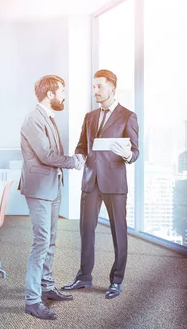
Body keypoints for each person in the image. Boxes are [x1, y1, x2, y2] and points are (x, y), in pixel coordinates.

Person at [62, 69, 139, 300]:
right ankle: (84, 276)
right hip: (90, 181)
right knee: (86, 231)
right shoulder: (90, 116)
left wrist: (127, 155)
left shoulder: (128, 116)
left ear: (112, 88)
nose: (95, 90)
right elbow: (81, 145)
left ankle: (117, 280)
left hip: (114, 183)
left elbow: (135, 152)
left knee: (119, 232)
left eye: (99, 86)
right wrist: (80, 156)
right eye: (93, 86)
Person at [20, 75, 84, 320]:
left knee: (51, 241)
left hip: (52, 186)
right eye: (62, 91)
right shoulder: (33, 119)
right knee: (41, 243)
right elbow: (46, 155)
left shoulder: (47, 117)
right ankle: (32, 301)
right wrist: (73, 162)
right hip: (39, 189)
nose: (64, 95)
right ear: (50, 94)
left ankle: (46, 286)